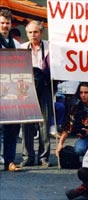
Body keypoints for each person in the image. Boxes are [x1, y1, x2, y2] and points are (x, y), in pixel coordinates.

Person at [19, 20, 52, 167]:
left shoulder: (49, 47)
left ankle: (44, 157)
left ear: (41, 32)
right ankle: (27, 156)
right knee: (26, 124)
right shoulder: (22, 48)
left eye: (36, 32)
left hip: (44, 87)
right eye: (30, 32)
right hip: (26, 89)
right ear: (27, 34)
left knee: (44, 123)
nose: (33, 35)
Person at [0, 9, 22, 172]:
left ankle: (9, 161)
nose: (5, 25)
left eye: (7, 23)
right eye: (1, 23)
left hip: (12, 90)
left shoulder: (17, 44)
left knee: (13, 128)